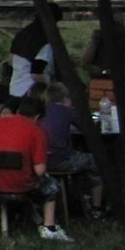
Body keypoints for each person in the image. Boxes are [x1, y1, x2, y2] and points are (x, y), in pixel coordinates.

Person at [0, 94, 71, 242]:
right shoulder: (36, 131)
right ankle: (50, 227)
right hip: (20, 184)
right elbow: (40, 171)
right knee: (51, 185)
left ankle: (35, 220)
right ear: (37, 117)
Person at [41, 83, 102, 216]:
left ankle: (80, 197)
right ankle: (97, 207)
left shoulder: (42, 111)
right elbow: (87, 127)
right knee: (94, 161)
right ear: (65, 99)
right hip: (60, 159)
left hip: (41, 161)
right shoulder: (68, 111)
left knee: (78, 156)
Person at [8, 13, 56, 98]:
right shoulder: (44, 43)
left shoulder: (20, 36)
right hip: (30, 92)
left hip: (15, 89)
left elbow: (10, 61)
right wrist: (52, 84)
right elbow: (36, 74)